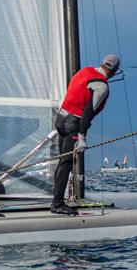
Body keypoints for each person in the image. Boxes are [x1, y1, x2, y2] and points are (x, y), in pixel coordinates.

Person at [51, 54, 120, 215]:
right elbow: (88, 112)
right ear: (114, 72)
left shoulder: (84, 71)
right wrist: (82, 137)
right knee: (66, 163)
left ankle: (57, 200)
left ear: (101, 64)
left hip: (61, 118)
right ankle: (57, 204)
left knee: (62, 162)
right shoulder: (102, 87)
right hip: (73, 123)